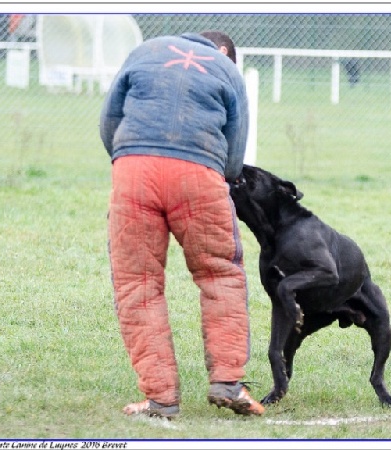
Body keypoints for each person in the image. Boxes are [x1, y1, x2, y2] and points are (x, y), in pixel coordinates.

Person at [99, 30, 264, 419]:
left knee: (137, 284)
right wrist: (211, 174)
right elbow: (235, 154)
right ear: (224, 51)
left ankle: (160, 400)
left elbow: (109, 120)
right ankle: (227, 381)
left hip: (133, 170)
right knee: (220, 274)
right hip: (199, 174)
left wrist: (126, 157)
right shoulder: (226, 68)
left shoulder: (144, 51)